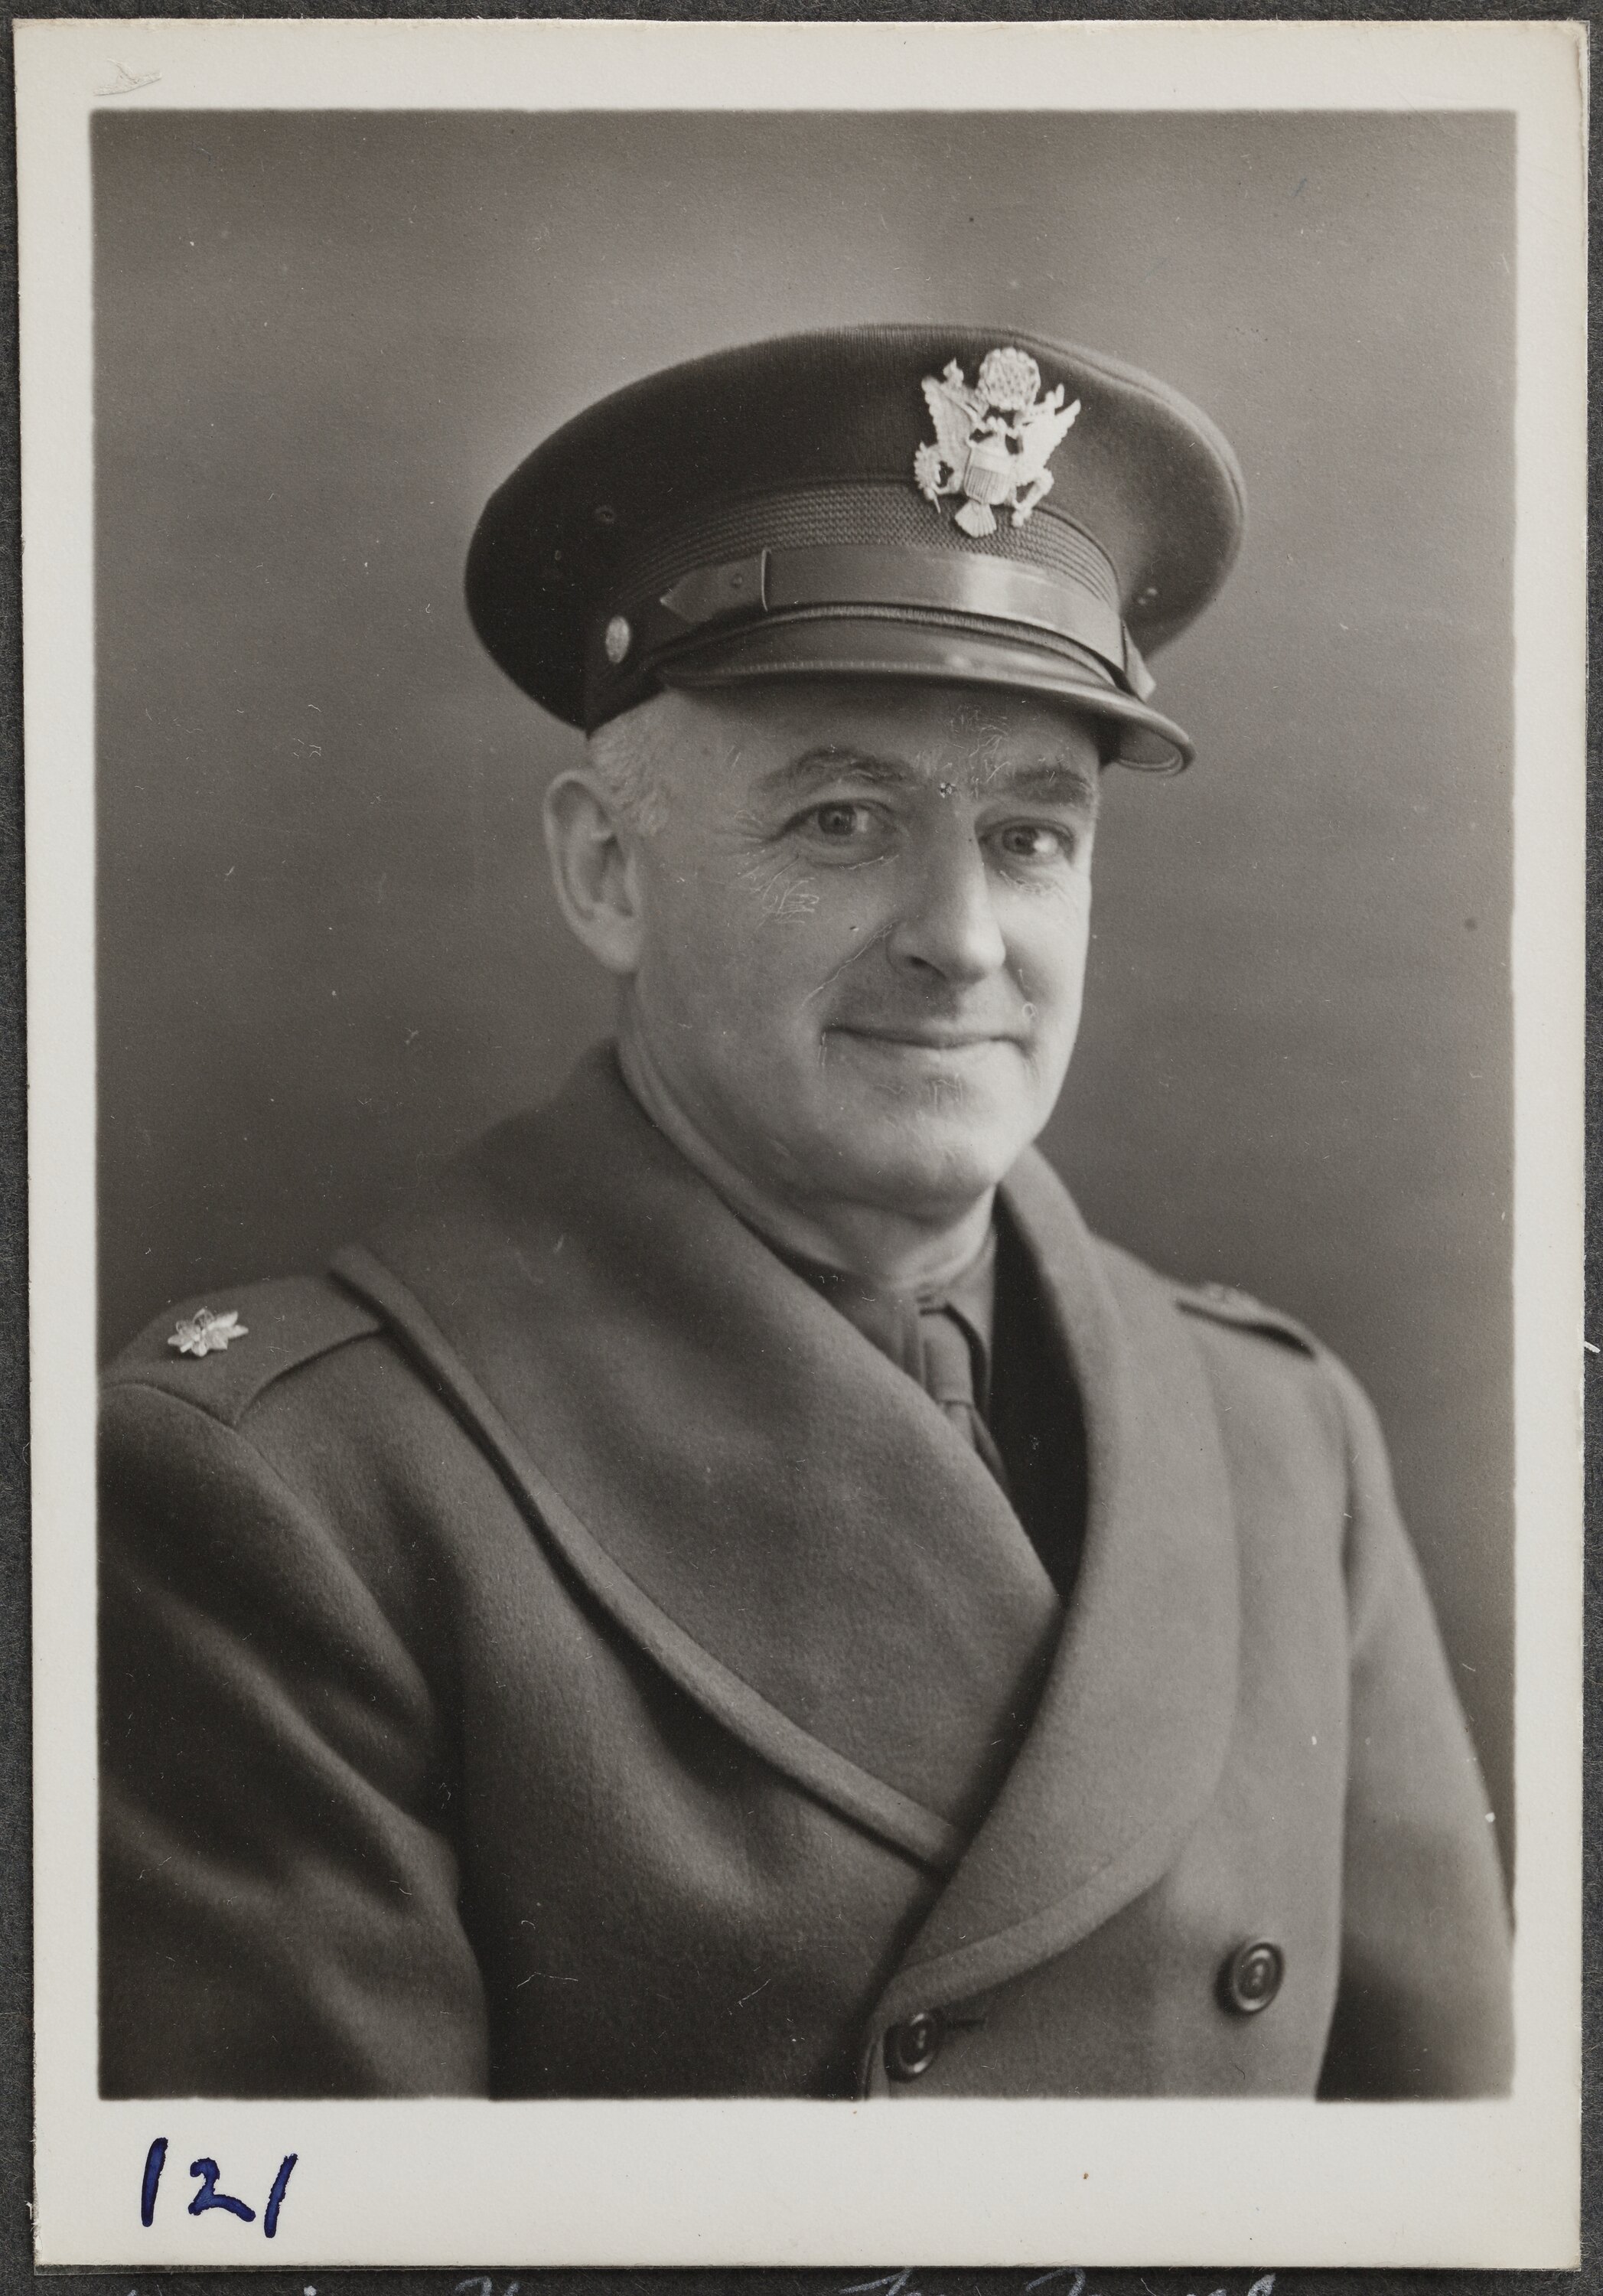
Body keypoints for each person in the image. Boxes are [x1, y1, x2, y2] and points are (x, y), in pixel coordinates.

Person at [99, 325, 1513, 2101]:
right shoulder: (290, 1493)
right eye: (844, 820)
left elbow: (1453, 2186)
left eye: (1031, 836)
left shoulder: (1282, 1439)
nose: (962, 941)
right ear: (606, 871)